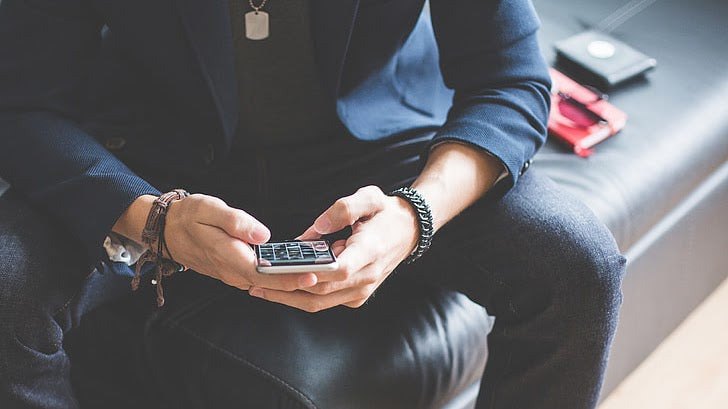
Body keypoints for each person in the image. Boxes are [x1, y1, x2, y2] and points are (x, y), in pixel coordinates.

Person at [0, 0, 626, 408]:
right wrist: (150, 218)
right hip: (148, 157)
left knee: (579, 264)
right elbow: (21, 104)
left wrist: (415, 215)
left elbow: (512, 78)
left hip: (376, 155)